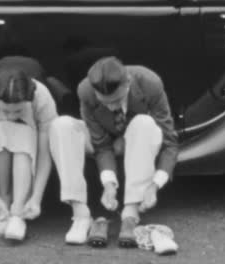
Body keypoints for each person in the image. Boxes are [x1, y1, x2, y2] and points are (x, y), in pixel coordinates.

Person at [49, 56, 178, 247]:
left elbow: (169, 142)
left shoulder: (150, 83)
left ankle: (131, 212)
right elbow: (100, 144)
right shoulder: (85, 90)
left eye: (117, 100)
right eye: (105, 102)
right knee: (62, 125)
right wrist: (109, 185)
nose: (111, 107)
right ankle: (80, 214)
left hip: (135, 139)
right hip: (103, 143)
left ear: (128, 83)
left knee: (145, 122)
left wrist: (155, 185)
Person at [0, 57, 58, 241]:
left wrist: (36, 197)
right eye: (6, 110)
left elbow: (44, 154)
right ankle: (3, 201)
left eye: (18, 111)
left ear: (29, 99)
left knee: (22, 131)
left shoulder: (41, 97)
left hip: (29, 147)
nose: (11, 115)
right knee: (0, 128)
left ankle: (18, 210)